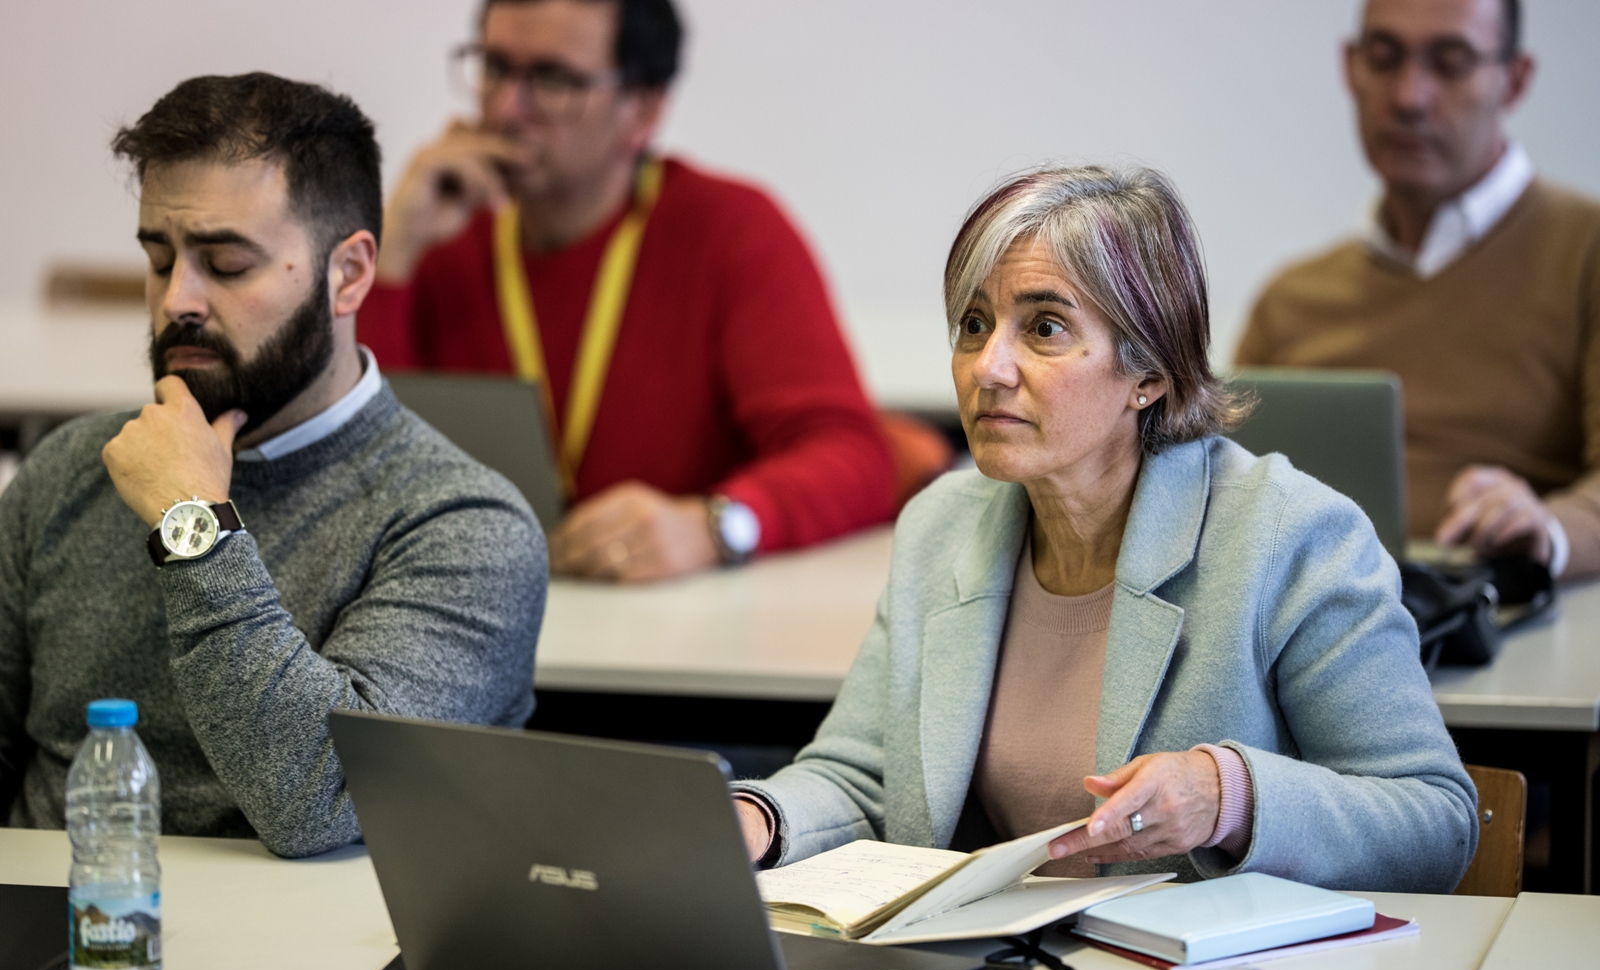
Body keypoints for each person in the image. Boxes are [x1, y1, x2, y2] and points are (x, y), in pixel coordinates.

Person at [730, 166, 1478, 893]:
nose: (989, 366)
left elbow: (1433, 822)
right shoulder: (940, 526)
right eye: (974, 324)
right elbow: (861, 775)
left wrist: (1231, 798)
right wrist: (757, 819)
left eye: (1045, 328)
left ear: (1148, 374)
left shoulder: (1292, 534)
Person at [0, 74, 546, 858]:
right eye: (160, 259)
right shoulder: (72, 468)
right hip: (63, 938)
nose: (176, 301)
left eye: (225, 265)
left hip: (301, 968)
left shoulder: (462, 525)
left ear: (350, 273)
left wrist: (192, 524)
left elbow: (319, 799)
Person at [360, 0, 924, 583]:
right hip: (484, 612)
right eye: (497, 67)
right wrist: (389, 254)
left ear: (645, 110)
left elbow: (853, 457)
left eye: (554, 80)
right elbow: (364, 466)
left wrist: (713, 526)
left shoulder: (730, 232)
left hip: (675, 631)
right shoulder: (439, 235)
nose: (505, 109)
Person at [1236, 0, 1600, 579]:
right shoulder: (1290, 300)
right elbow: (1224, 486)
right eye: (1384, 60)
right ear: (1351, 69)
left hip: (1503, 617)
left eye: (1451, 63)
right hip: (1318, 623)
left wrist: (1547, 530)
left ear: (1515, 79)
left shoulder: (1584, 252)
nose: (1409, 96)